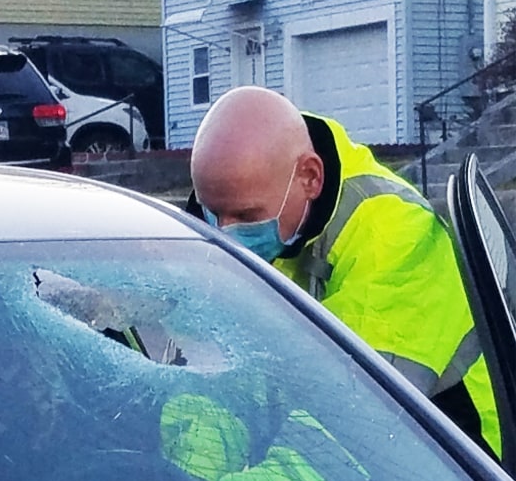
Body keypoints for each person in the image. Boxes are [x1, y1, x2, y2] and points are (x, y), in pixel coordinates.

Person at [186, 86, 501, 461]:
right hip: (363, 458)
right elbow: (233, 384)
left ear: (310, 177)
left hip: (465, 475)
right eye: (211, 213)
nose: (226, 234)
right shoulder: (278, 221)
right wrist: (193, 475)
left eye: (247, 217)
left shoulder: (395, 236)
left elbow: (350, 426)